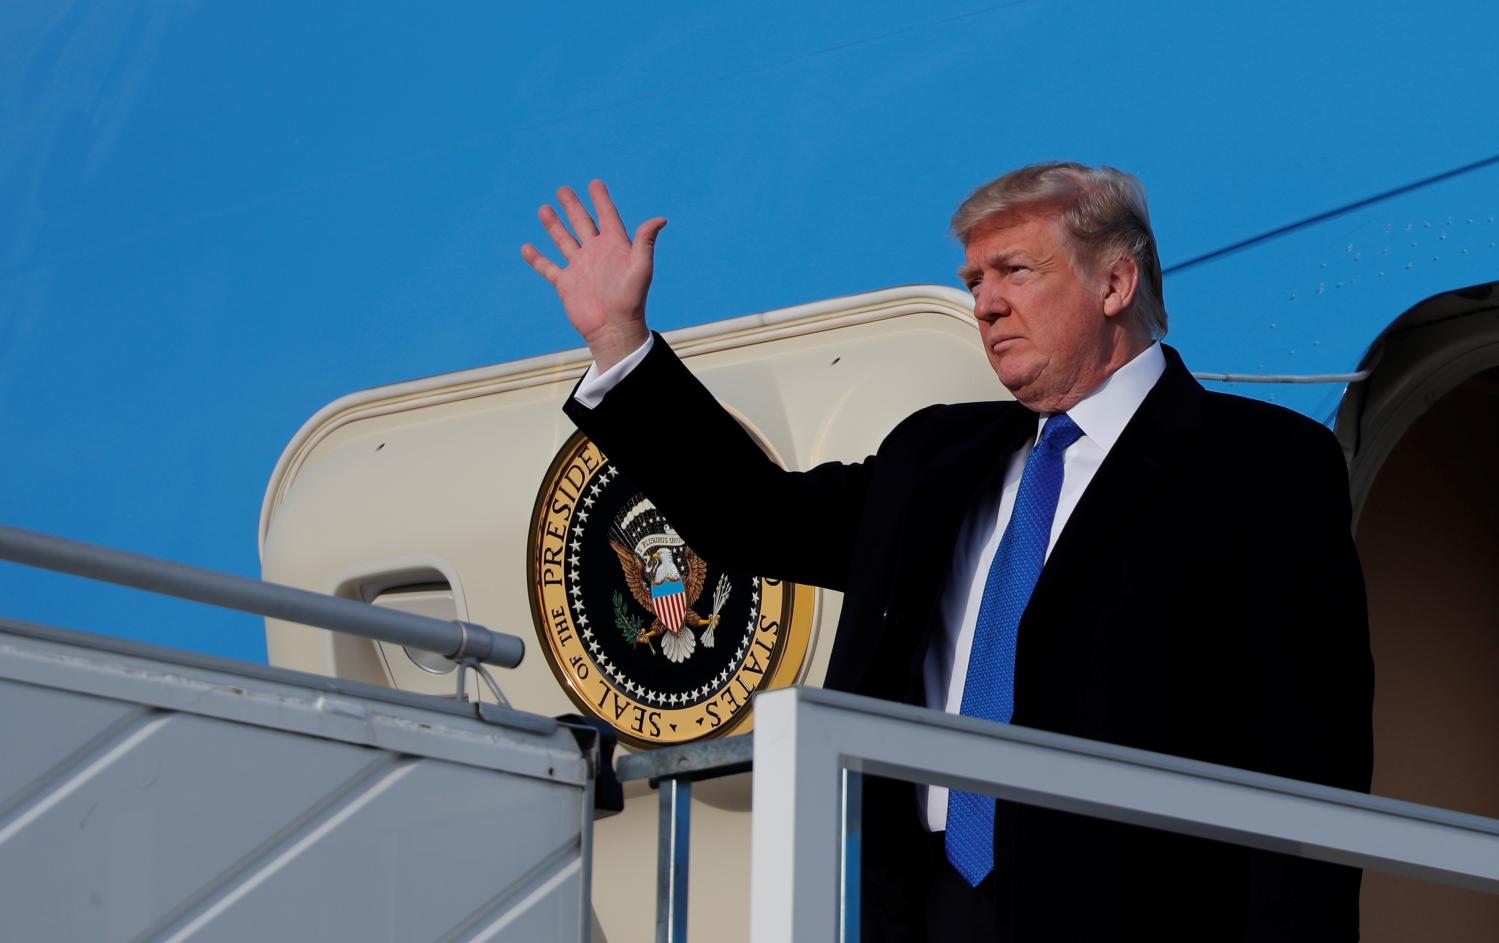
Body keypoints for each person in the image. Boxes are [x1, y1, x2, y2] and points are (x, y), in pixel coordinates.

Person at [522, 164, 1374, 941]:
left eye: (1015, 271)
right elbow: (758, 520)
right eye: (974, 280)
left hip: (1138, 908)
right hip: (928, 904)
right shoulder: (934, 457)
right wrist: (621, 345)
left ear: (1115, 280)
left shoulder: (1263, 465)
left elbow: (1310, 745)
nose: (985, 302)